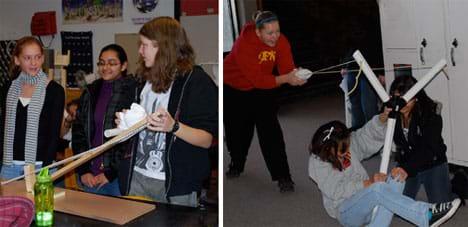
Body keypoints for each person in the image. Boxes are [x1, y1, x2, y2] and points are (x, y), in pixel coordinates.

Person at [124, 16, 217, 207]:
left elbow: (206, 139)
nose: (140, 51)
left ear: (163, 47)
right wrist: (125, 123)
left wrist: (173, 126)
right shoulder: (143, 79)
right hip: (137, 177)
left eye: (145, 45)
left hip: (176, 184)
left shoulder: (196, 81)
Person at [308, 113, 461, 227]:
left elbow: (364, 137)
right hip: (346, 211)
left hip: (367, 201)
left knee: (398, 176)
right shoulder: (317, 163)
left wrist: (382, 119)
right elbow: (337, 191)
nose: (348, 149)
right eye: (344, 150)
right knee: (377, 189)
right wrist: (368, 183)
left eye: (348, 145)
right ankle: (424, 215)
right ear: (329, 150)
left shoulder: (344, 144)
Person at [223, 10, 306, 193]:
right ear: (258, 32)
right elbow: (257, 79)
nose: (275, 36)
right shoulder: (244, 44)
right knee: (238, 133)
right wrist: (286, 78)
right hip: (234, 89)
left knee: (271, 132)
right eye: (270, 33)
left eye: (277, 31)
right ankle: (237, 163)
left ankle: (283, 176)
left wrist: (296, 75)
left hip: (262, 88)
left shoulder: (281, 41)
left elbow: (286, 68)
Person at [72, 44, 138, 196]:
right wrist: (83, 170)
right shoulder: (91, 91)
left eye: (112, 63)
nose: (105, 67)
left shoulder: (133, 92)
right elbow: (79, 132)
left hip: (117, 178)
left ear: (123, 66)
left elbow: (131, 140)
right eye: (102, 63)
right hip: (90, 177)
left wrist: (111, 173)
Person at [0, 36, 64, 179]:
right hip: (9, 165)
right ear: (17, 60)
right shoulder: (7, 89)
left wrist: (46, 169)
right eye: (27, 58)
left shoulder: (54, 91)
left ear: (42, 59)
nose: (33, 62)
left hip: (40, 165)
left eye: (37, 57)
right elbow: (2, 127)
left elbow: (54, 135)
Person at [390, 75, 453, 203]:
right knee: (396, 205)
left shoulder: (431, 115)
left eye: (408, 98)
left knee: (442, 207)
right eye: (399, 98)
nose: (403, 104)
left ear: (416, 97)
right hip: (408, 162)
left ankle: (456, 186)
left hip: (432, 163)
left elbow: (429, 149)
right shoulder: (393, 114)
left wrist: (406, 169)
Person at [340, 49, 384, 129]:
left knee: (369, 107)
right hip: (351, 66)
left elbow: (377, 42)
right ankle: (357, 135)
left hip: (370, 66)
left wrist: (381, 71)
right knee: (355, 107)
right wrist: (344, 64)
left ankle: (375, 135)